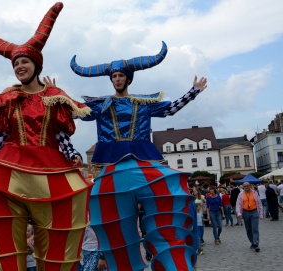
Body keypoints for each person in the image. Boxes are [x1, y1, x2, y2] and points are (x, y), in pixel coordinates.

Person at [0, 2, 92, 271]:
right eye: (16, 63)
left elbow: (60, 135)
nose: (19, 66)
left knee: (58, 238)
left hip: (50, 166)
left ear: (36, 65)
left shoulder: (52, 97)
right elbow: (2, 136)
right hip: (13, 164)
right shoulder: (10, 98)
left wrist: (72, 154)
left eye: (24, 62)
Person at [66, 40, 207, 270]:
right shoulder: (101, 105)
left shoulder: (143, 103)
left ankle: (172, 261)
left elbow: (170, 109)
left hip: (145, 166)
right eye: (114, 76)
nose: (117, 79)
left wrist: (193, 92)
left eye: (121, 76)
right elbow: (76, 113)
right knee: (116, 232)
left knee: (165, 221)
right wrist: (52, 95)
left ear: (128, 79)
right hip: (113, 170)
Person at [236, 182, 263, 252]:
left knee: (255, 229)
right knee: (248, 230)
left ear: (250, 186)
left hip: (254, 212)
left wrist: (261, 214)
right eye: (245, 186)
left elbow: (259, 204)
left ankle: (256, 244)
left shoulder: (255, 193)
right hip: (245, 212)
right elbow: (238, 204)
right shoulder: (241, 194)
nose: (246, 187)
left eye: (248, 186)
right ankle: (252, 242)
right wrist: (239, 213)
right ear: (243, 187)